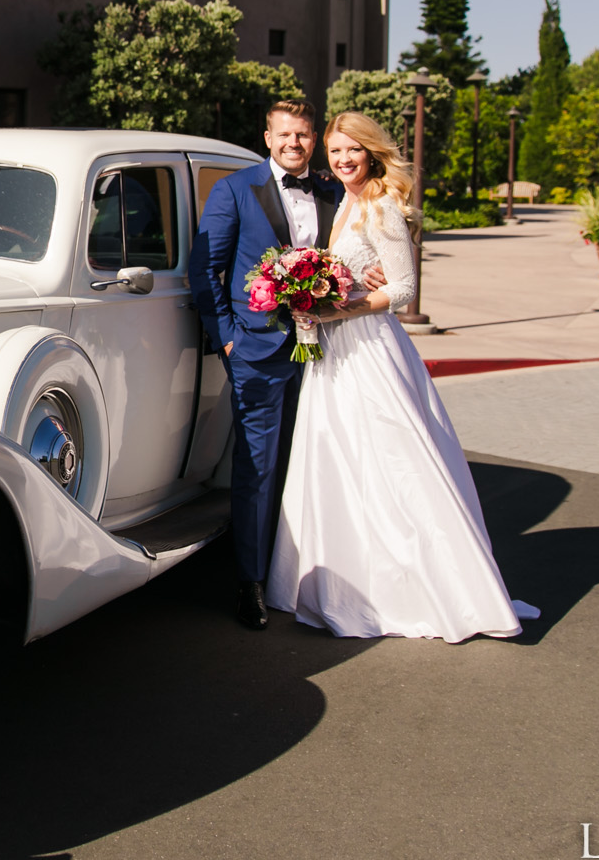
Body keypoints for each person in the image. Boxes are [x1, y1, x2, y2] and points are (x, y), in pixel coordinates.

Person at [266, 110, 537, 642]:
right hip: (334, 352)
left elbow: (405, 289)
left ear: (372, 153)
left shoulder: (383, 205)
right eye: (336, 150)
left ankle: (426, 590)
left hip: (368, 351)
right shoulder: (344, 199)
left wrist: (333, 311)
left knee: (392, 462)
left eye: (354, 150)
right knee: (338, 462)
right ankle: (345, 583)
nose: (343, 159)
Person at [190, 99, 375, 631]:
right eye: (285, 135)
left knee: (316, 460)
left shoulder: (332, 190)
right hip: (258, 351)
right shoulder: (234, 189)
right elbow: (209, 270)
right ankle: (251, 580)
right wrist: (227, 339)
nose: (295, 143)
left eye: (304, 135)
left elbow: (355, 253)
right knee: (260, 467)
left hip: (327, 349)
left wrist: (374, 277)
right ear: (267, 137)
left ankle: (305, 574)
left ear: (313, 140)